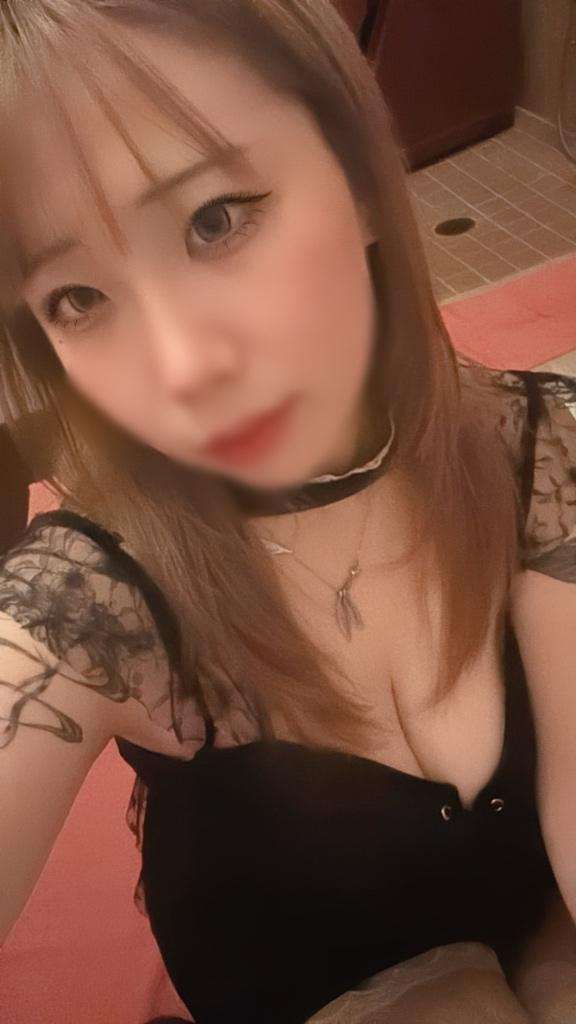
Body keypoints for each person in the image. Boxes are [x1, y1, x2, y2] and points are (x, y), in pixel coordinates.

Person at [2, 2, 576, 1021]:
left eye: (214, 220)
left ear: (360, 174)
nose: (181, 370)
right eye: (77, 299)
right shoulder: (90, 607)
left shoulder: (535, 451)